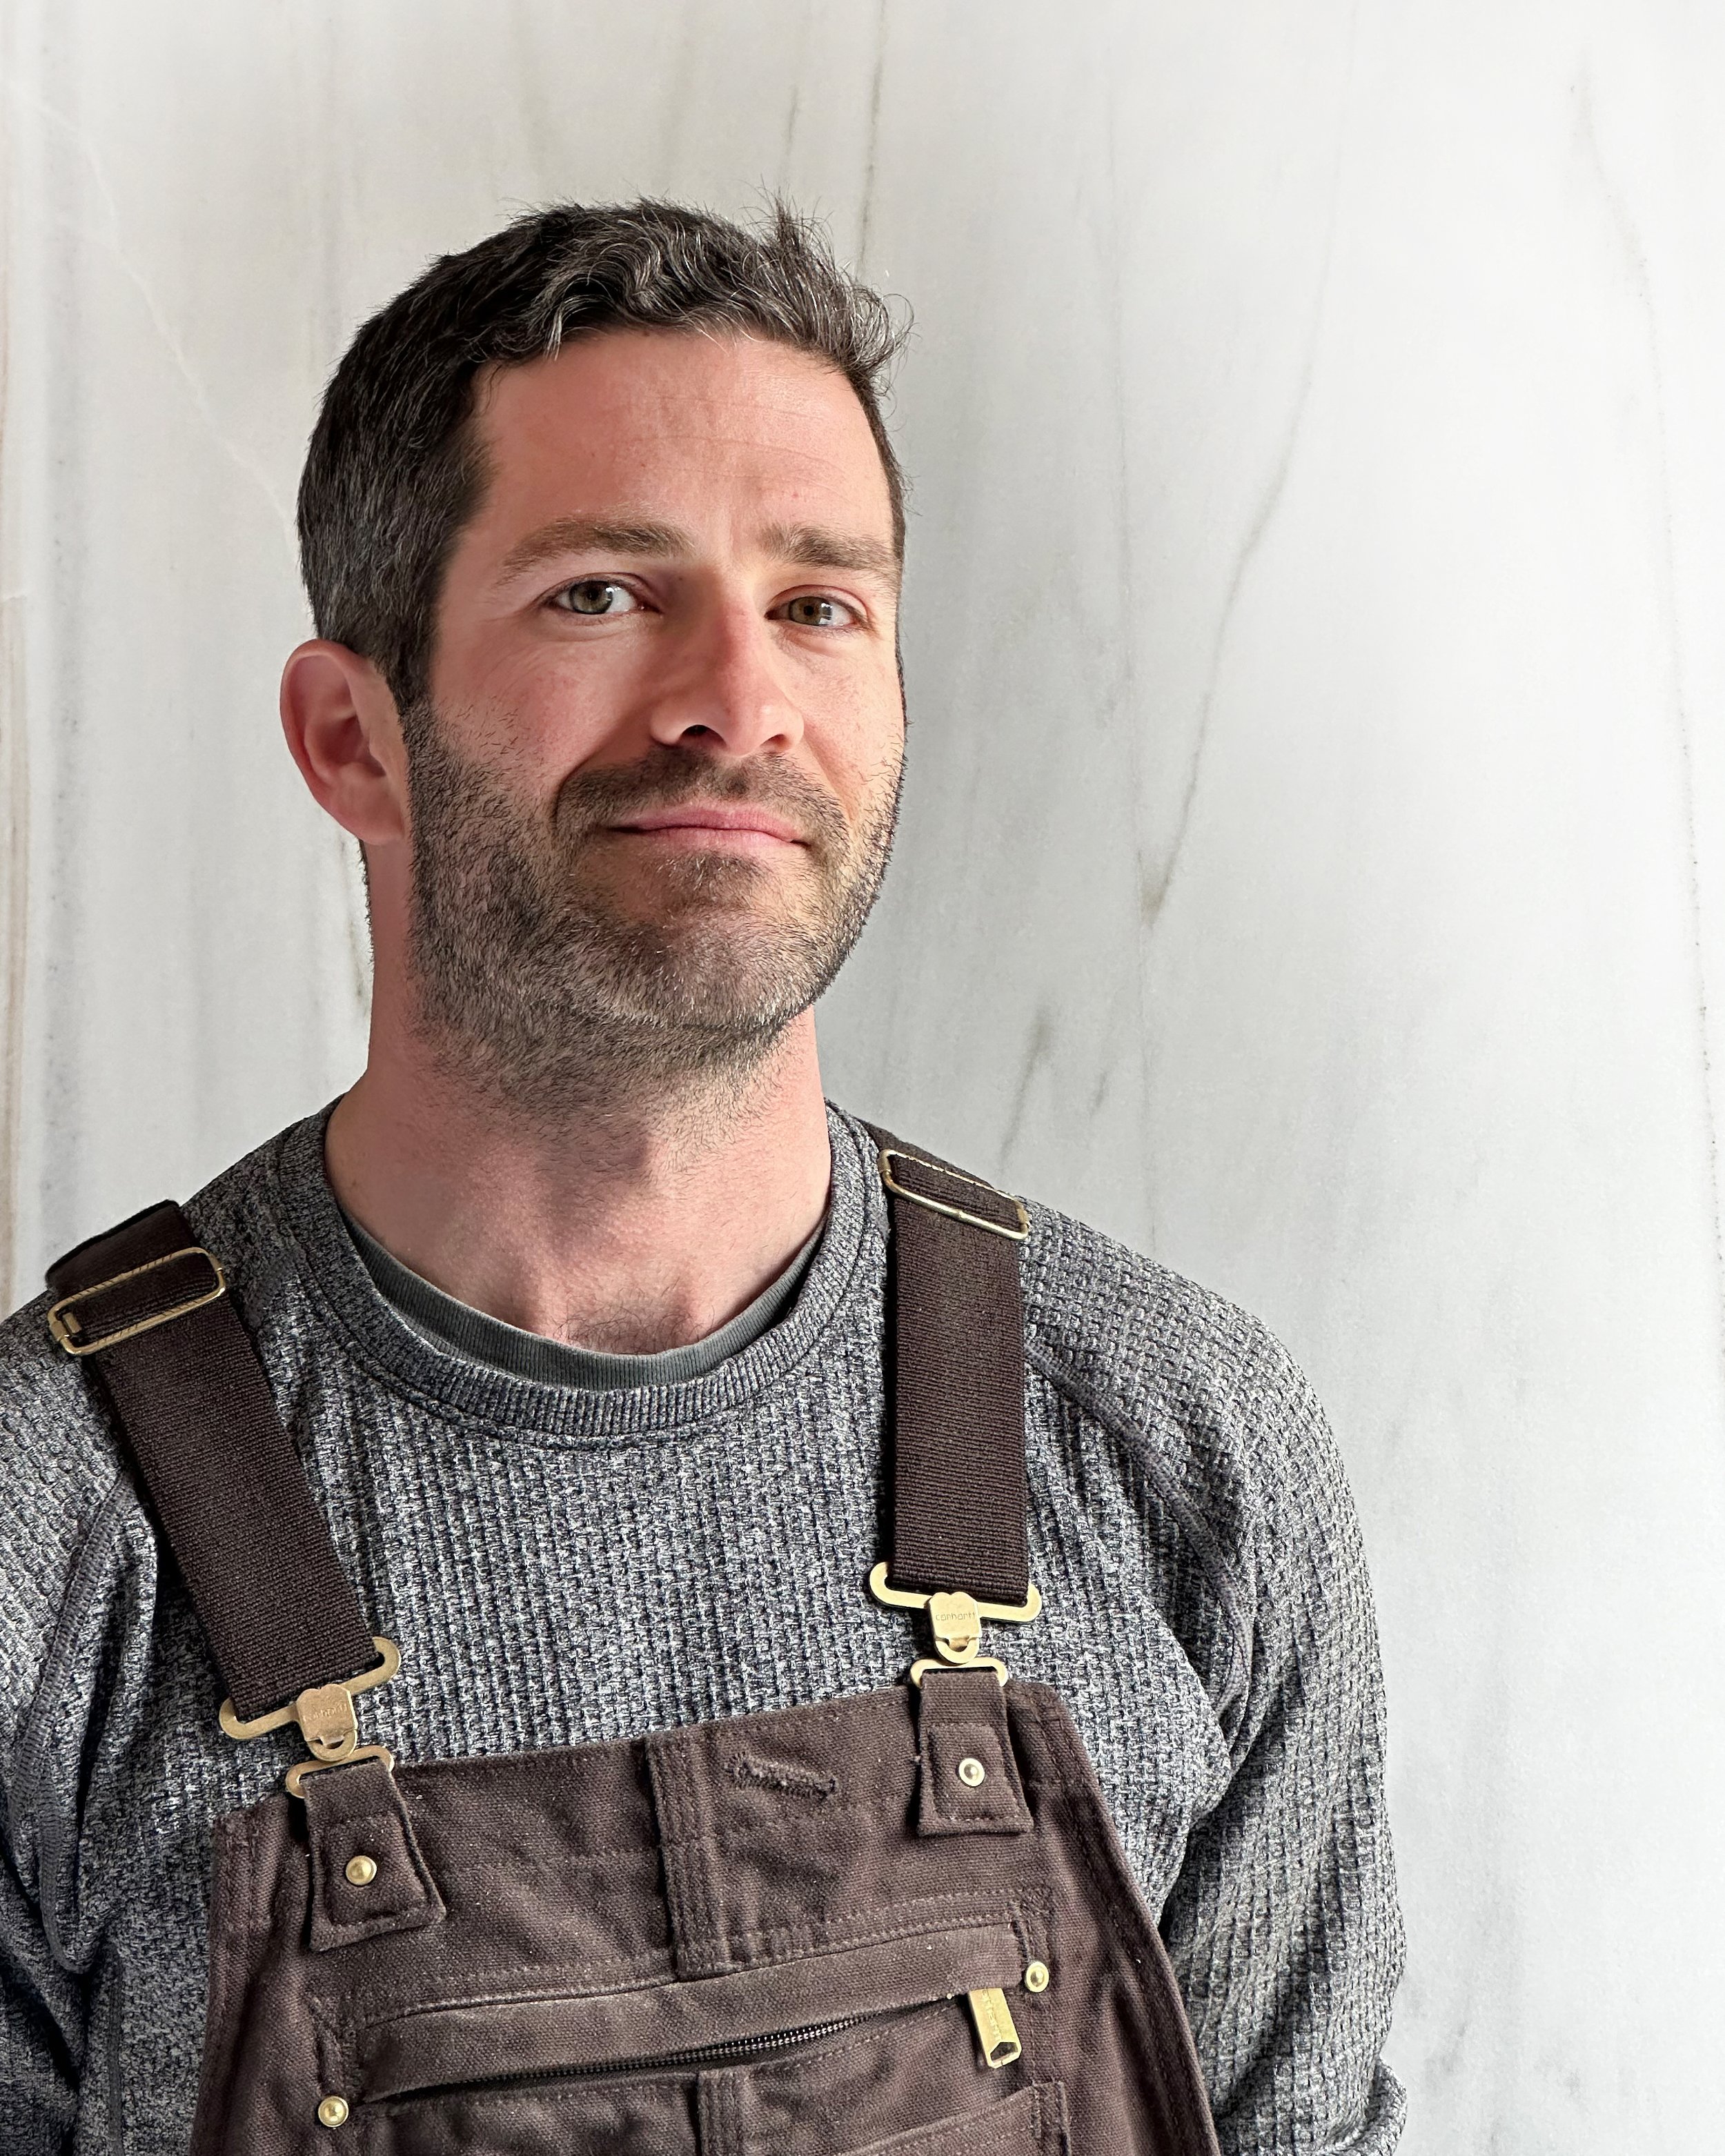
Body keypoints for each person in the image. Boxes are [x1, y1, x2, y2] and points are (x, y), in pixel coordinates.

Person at [0, 199, 1404, 2153]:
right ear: (351, 737)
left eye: (820, 603)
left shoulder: (1171, 1444)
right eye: (600, 592)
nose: (737, 699)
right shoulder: (52, 1526)